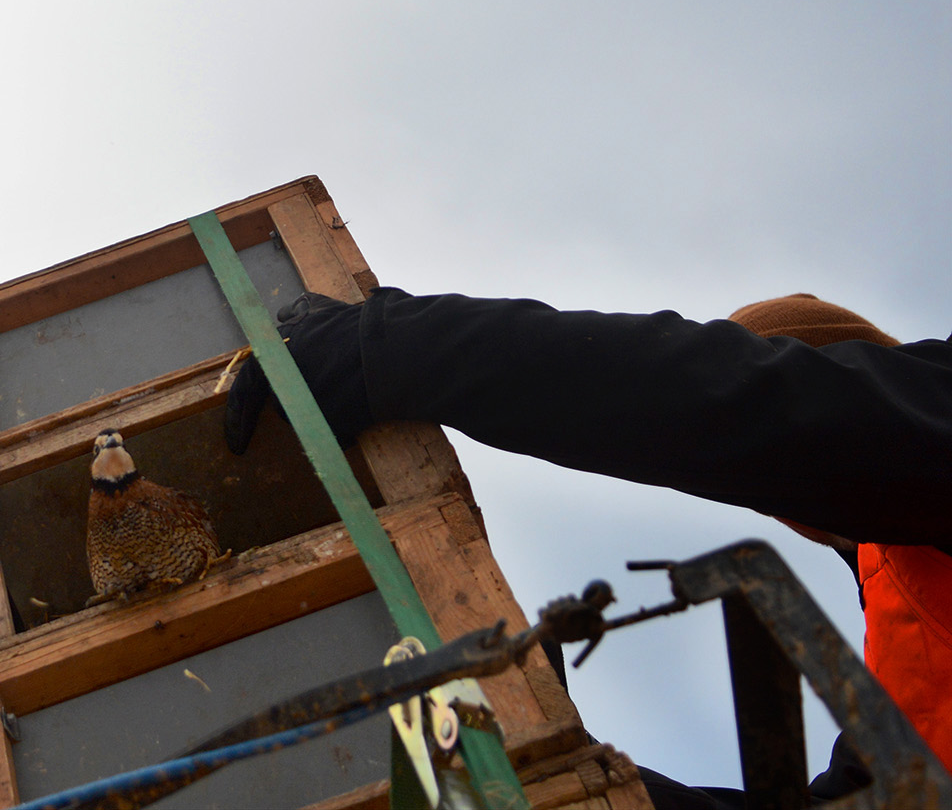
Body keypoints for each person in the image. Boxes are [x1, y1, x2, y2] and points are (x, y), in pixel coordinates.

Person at [224, 287, 952, 803]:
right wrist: (567, 753)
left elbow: (727, 400)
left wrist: (389, 348)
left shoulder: (930, 426)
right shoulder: (910, 632)